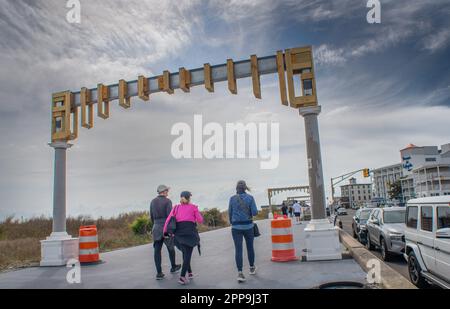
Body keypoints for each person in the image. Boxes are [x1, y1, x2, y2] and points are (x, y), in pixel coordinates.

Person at [163, 191, 203, 285]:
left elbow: (168, 220)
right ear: (189, 198)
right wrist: (195, 212)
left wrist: (165, 232)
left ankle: (189, 272)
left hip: (178, 236)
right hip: (190, 234)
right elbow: (200, 220)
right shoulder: (193, 207)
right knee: (187, 254)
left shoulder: (176, 208)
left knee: (185, 253)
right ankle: (182, 277)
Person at [228, 180, 258, 283]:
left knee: (238, 250)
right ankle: (251, 268)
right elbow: (254, 212)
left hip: (236, 228)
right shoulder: (250, 198)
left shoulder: (232, 199)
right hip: (248, 226)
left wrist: (234, 222)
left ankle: (240, 273)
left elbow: (230, 213)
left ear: (237, 188)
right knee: (250, 248)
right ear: (245, 188)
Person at [150, 185, 181, 280]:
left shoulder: (153, 201)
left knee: (157, 250)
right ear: (163, 191)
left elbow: (151, 216)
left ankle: (159, 273)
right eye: (167, 191)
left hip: (156, 227)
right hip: (166, 228)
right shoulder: (168, 201)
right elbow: (170, 216)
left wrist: (155, 226)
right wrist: (172, 229)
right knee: (171, 248)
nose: (168, 192)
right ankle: (173, 267)